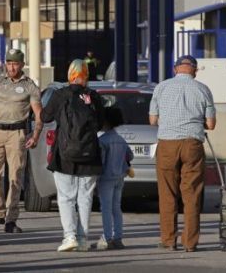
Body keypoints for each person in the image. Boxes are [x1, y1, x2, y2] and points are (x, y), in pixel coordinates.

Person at [149, 55, 216, 252]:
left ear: (175, 69)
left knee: (167, 193)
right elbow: (211, 124)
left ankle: (169, 240)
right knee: (192, 194)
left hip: (167, 144)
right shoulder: (203, 89)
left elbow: (153, 120)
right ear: (195, 70)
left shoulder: (161, 87)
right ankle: (190, 242)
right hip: (192, 145)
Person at [0, 48, 42, 234]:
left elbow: (38, 114)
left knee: (15, 178)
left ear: (22, 64)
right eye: (9, 63)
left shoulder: (29, 86)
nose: (11, 67)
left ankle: (11, 219)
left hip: (17, 135)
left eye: (15, 63)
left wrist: (35, 135)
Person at [40, 59, 105, 252]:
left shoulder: (61, 94)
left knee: (66, 197)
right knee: (85, 198)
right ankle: (83, 239)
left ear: (70, 74)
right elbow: (100, 123)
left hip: (64, 155)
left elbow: (45, 117)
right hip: (89, 155)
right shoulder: (93, 96)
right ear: (86, 75)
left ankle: (70, 237)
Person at [92, 107, 134, 250]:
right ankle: (118, 238)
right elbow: (130, 156)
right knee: (117, 207)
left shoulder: (102, 140)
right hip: (120, 177)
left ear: (104, 122)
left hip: (106, 177)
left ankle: (107, 237)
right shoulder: (121, 139)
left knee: (106, 208)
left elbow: (101, 161)